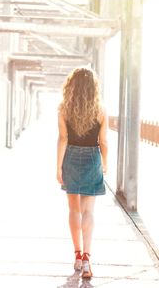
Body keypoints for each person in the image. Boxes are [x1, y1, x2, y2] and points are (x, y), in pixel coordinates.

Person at [56, 67, 108, 279]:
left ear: (73, 86)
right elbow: (103, 141)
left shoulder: (64, 109)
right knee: (89, 212)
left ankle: (77, 255)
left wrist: (58, 166)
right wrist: (104, 164)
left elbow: (63, 139)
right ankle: (87, 259)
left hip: (71, 158)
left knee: (73, 210)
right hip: (93, 158)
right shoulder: (101, 110)